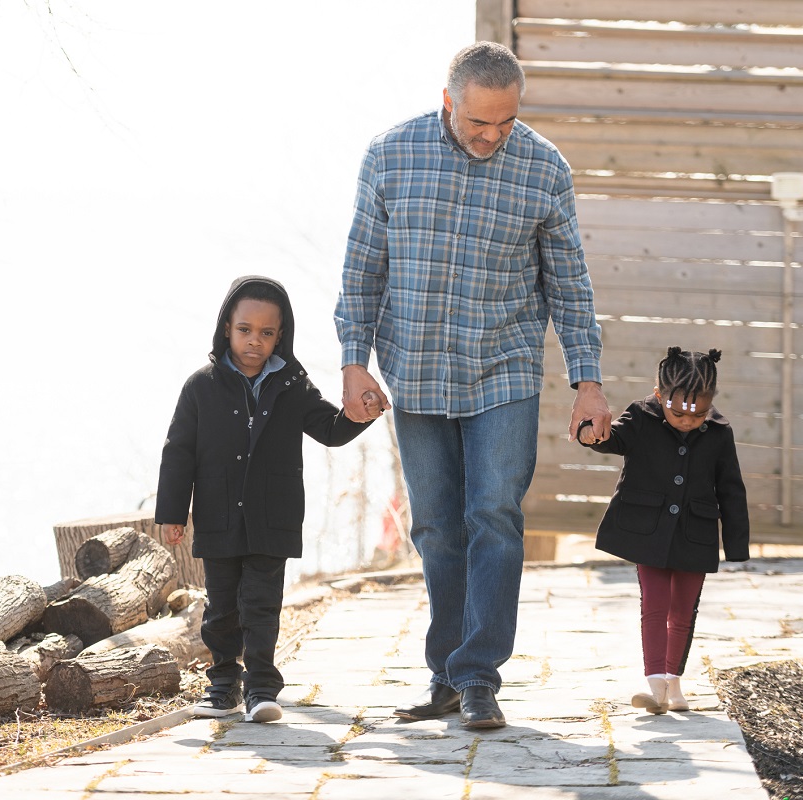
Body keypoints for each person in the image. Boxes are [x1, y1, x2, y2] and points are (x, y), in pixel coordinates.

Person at [334, 40, 611, 729]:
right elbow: (363, 267)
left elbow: (569, 283)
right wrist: (352, 360)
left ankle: (479, 675)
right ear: (448, 101)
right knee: (435, 525)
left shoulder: (545, 169)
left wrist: (588, 379)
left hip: (504, 367)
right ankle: (446, 676)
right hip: (417, 366)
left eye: (506, 123)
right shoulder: (391, 156)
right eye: (478, 122)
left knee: (494, 514)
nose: (492, 136)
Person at [155, 275, 373, 723]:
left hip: (273, 517)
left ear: (281, 335)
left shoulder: (291, 383)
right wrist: (172, 513)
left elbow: (330, 430)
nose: (255, 341)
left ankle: (260, 690)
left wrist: (360, 415)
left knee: (261, 605)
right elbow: (178, 451)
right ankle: (222, 687)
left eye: (267, 333)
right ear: (227, 328)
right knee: (221, 608)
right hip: (217, 515)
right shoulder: (201, 386)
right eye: (245, 330)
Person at [577, 346, 749, 713]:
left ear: (711, 402)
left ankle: (674, 683)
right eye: (677, 413)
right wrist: (589, 433)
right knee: (655, 605)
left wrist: (736, 545)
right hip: (648, 532)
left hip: (695, 535)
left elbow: (731, 488)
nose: (687, 421)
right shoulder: (641, 417)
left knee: (684, 611)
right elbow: (612, 439)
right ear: (659, 395)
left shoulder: (719, 432)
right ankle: (655, 685)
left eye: (698, 413)